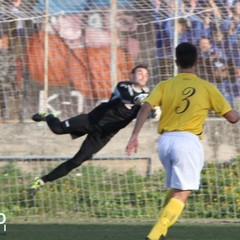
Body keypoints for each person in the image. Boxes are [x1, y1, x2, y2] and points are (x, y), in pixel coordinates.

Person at [126, 42, 240, 240]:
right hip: (187, 142)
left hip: (165, 141)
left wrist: (134, 135)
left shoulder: (165, 85)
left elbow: (145, 108)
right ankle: (153, 236)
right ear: (197, 61)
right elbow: (232, 118)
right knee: (183, 192)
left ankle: (162, 233)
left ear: (176, 62)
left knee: (175, 189)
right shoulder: (206, 87)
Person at [28, 64, 149, 196]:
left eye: (146, 75)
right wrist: (140, 100)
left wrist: (153, 110)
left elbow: (146, 113)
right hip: (90, 120)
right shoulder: (123, 86)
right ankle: (49, 116)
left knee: (76, 161)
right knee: (57, 129)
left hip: (103, 135)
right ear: (132, 76)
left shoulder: (146, 99)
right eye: (140, 73)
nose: (143, 76)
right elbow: (127, 96)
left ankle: (41, 181)